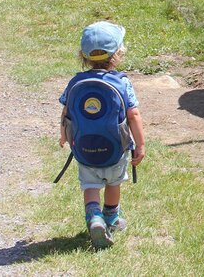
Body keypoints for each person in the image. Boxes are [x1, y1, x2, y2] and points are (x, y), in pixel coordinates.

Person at [59, 21, 146, 249]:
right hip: (116, 149)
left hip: (83, 148)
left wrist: (63, 136)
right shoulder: (122, 82)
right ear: (117, 54)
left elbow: (66, 112)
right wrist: (140, 145)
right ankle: (111, 218)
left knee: (90, 185)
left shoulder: (76, 82)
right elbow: (134, 115)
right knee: (113, 182)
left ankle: (93, 217)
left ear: (83, 55)